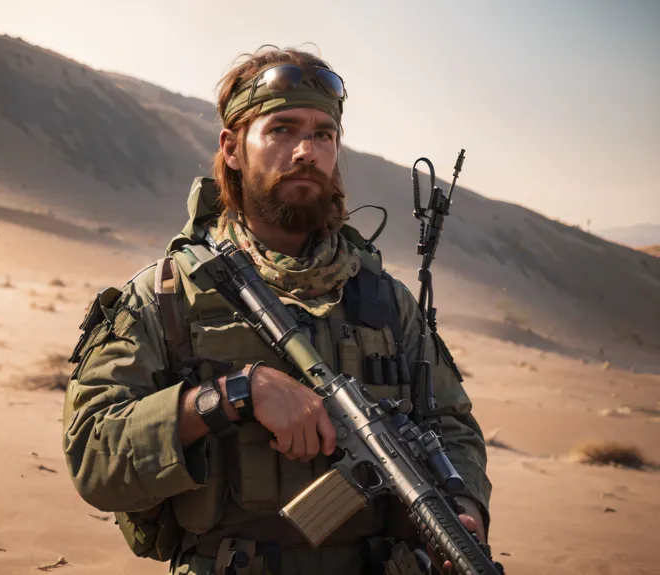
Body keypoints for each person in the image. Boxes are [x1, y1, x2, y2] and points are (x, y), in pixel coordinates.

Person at [62, 46, 492, 575]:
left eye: (322, 134)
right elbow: (94, 457)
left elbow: (451, 425)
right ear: (233, 148)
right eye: (282, 129)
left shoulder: (386, 301)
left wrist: (464, 507)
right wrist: (232, 395)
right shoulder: (165, 296)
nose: (306, 151)